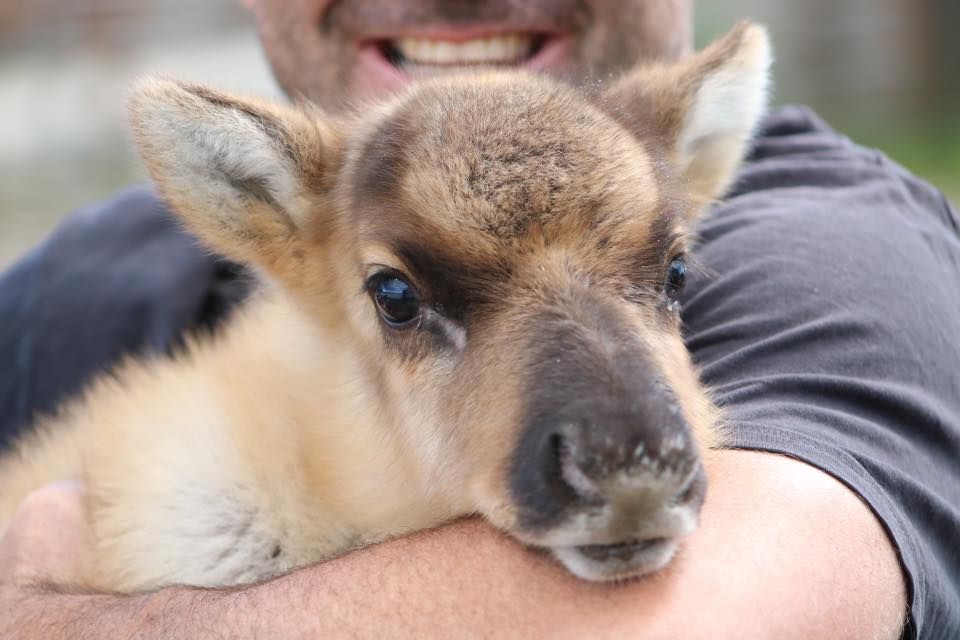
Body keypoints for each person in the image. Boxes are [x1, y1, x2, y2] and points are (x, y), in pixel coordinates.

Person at [1, 0, 957, 637]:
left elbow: (723, 608)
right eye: (405, 298)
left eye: (662, 277)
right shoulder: (78, 287)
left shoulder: (836, 253)